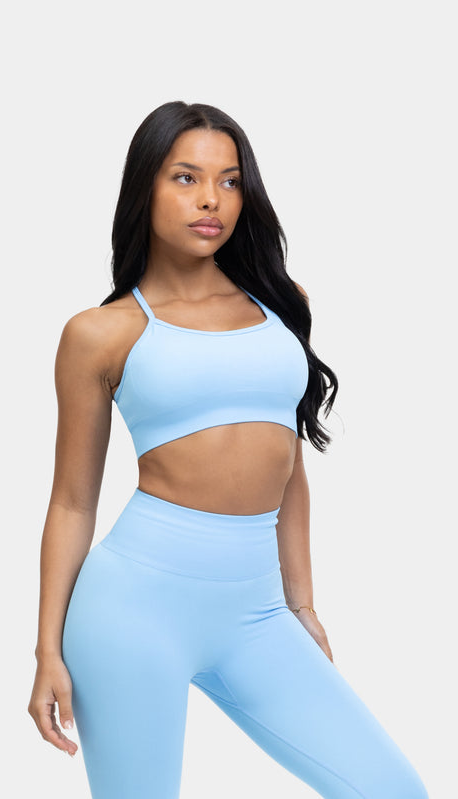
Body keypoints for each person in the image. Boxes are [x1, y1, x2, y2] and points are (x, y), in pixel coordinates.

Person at [28, 101, 428, 799]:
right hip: (132, 611)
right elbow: (70, 501)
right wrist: (46, 650)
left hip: (257, 613)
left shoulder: (282, 304)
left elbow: (289, 467)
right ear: (145, 187)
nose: (211, 198)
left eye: (230, 180)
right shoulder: (101, 332)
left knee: (389, 788)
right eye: (186, 177)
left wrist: (302, 606)